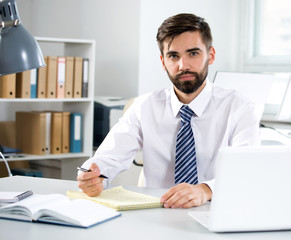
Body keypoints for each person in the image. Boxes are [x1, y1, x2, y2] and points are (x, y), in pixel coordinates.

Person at [77, 13, 260, 208]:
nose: (183, 66)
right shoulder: (144, 107)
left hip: (216, 210)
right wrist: (95, 175)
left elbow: (247, 170)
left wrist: (205, 190)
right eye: (173, 56)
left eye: (193, 53)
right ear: (163, 61)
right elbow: (109, 157)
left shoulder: (240, 108)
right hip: (155, 212)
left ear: (211, 55)